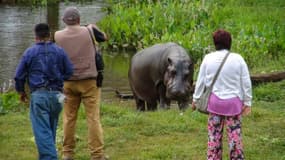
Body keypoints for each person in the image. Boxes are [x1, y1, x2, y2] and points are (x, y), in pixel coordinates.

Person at [54, 6, 108, 160]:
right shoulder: (89, 30)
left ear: (64, 21)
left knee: (69, 118)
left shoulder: (57, 35)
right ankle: (97, 155)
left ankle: (67, 154)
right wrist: (91, 27)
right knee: (93, 118)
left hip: (67, 83)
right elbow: (105, 37)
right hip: (90, 82)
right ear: (79, 19)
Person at [14, 23, 73, 160]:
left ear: (36, 36)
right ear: (49, 35)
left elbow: (18, 76)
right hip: (58, 95)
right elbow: (69, 71)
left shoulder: (30, 52)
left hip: (39, 95)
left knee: (41, 131)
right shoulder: (60, 51)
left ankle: (50, 157)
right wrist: (60, 80)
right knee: (49, 129)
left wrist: (21, 92)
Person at [192, 29, 252, 160]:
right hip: (234, 105)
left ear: (215, 43)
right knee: (235, 137)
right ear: (229, 43)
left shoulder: (208, 58)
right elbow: (246, 82)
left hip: (215, 105)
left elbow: (200, 81)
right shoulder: (238, 59)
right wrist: (247, 102)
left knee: (214, 137)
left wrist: (195, 99)